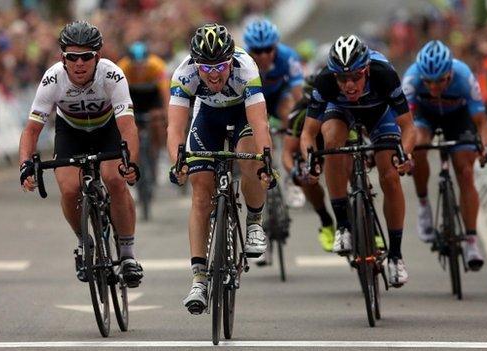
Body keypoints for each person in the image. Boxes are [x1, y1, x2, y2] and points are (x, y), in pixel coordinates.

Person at [18, 21, 143, 287]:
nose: (79, 63)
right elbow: (31, 131)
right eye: (72, 57)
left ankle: (128, 254)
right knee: (70, 189)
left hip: (106, 129)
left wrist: (130, 162)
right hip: (71, 132)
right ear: (63, 58)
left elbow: (128, 127)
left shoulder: (112, 75)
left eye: (86, 56)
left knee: (115, 180)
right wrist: (25, 165)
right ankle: (83, 241)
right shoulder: (52, 79)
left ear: (97, 56)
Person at [167, 23, 274, 313]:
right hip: (207, 118)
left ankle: (254, 221)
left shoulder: (246, 68)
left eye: (221, 67)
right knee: (201, 191)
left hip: (242, 114)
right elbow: (175, 126)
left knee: (247, 156)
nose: (214, 75)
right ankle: (199, 280)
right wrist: (178, 162)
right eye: (206, 69)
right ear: (195, 64)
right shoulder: (183, 73)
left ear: (231, 61)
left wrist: (265, 161)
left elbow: (260, 122)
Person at [300, 35, 416, 287]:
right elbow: (308, 133)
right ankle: (343, 225)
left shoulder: (384, 74)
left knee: (389, 175)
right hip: (341, 112)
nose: (349, 84)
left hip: (379, 114)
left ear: (366, 70)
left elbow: (408, 127)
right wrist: (310, 160)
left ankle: (395, 256)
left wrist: (405, 155)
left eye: (355, 77)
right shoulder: (325, 82)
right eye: (342, 79)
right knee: (331, 144)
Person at [402, 40, 487, 271]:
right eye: (428, 82)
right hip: (424, 117)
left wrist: (483, 148)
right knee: (419, 145)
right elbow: (404, 124)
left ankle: (471, 241)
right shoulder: (411, 79)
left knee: (465, 169)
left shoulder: (464, 76)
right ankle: (423, 205)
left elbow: (481, 122)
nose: (434, 87)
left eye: (440, 80)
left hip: (458, 117)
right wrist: (406, 154)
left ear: (450, 73)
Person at [284, 77, 335, 252]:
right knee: (306, 175)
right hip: (310, 145)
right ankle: (326, 220)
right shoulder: (298, 113)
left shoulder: (337, 104)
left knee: (350, 164)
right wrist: (294, 174)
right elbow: (287, 153)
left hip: (336, 138)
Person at [243, 18, 304, 128]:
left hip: (277, 95)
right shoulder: (241, 60)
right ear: (250, 49)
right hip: (251, 97)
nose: (263, 56)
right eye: (257, 50)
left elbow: (298, 93)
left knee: (291, 114)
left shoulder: (288, 57)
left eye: (268, 49)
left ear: (275, 46)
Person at [117, 41, 170, 165]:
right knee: (132, 125)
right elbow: (119, 96)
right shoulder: (122, 67)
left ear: (148, 60)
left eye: (142, 65)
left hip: (152, 95)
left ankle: (160, 149)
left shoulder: (157, 65)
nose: (139, 68)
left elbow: (165, 93)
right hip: (133, 95)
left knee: (157, 118)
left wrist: (167, 116)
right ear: (129, 61)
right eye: (135, 66)